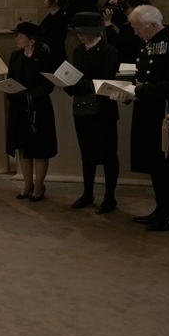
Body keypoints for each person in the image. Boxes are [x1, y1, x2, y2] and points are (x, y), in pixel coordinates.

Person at [127, 5, 169, 232]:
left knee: (163, 166)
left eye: (138, 28)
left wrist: (139, 91)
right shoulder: (147, 43)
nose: (136, 33)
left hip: (163, 114)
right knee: (152, 164)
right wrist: (129, 92)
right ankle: (159, 210)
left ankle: (168, 214)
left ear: (153, 25)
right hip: (146, 111)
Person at [62, 12, 121, 213]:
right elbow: (77, 77)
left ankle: (109, 197)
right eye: (78, 32)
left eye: (83, 32)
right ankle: (88, 193)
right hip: (82, 107)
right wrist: (67, 84)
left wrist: (79, 84)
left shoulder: (109, 50)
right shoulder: (78, 51)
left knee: (108, 154)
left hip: (103, 109)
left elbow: (105, 80)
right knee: (86, 153)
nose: (80, 36)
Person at [5, 21, 58, 202]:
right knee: (23, 146)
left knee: (40, 148)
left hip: (38, 108)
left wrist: (29, 96)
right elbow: (10, 78)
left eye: (19, 36)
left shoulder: (43, 56)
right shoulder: (15, 55)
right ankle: (27, 184)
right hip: (19, 108)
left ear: (31, 40)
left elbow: (48, 84)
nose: (16, 39)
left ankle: (39, 185)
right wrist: (11, 92)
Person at [103, 0, 150, 64]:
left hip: (132, 63)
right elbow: (113, 14)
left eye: (127, 6)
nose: (125, 9)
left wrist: (108, 24)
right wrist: (117, 2)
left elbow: (117, 43)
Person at [38, 0, 69, 66]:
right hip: (48, 55)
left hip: (55, 57)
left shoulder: (61, 17)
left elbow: (55, 38)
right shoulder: (50, 16)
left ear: (56, 0)